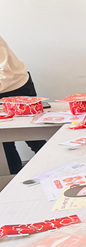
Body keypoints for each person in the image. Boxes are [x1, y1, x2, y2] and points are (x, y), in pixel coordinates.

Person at [0, 35, 45, 175]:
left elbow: (5, 72)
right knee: (4, 144)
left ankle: (59, 172)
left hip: (16, 86)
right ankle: (14, 181)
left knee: (33, 137)